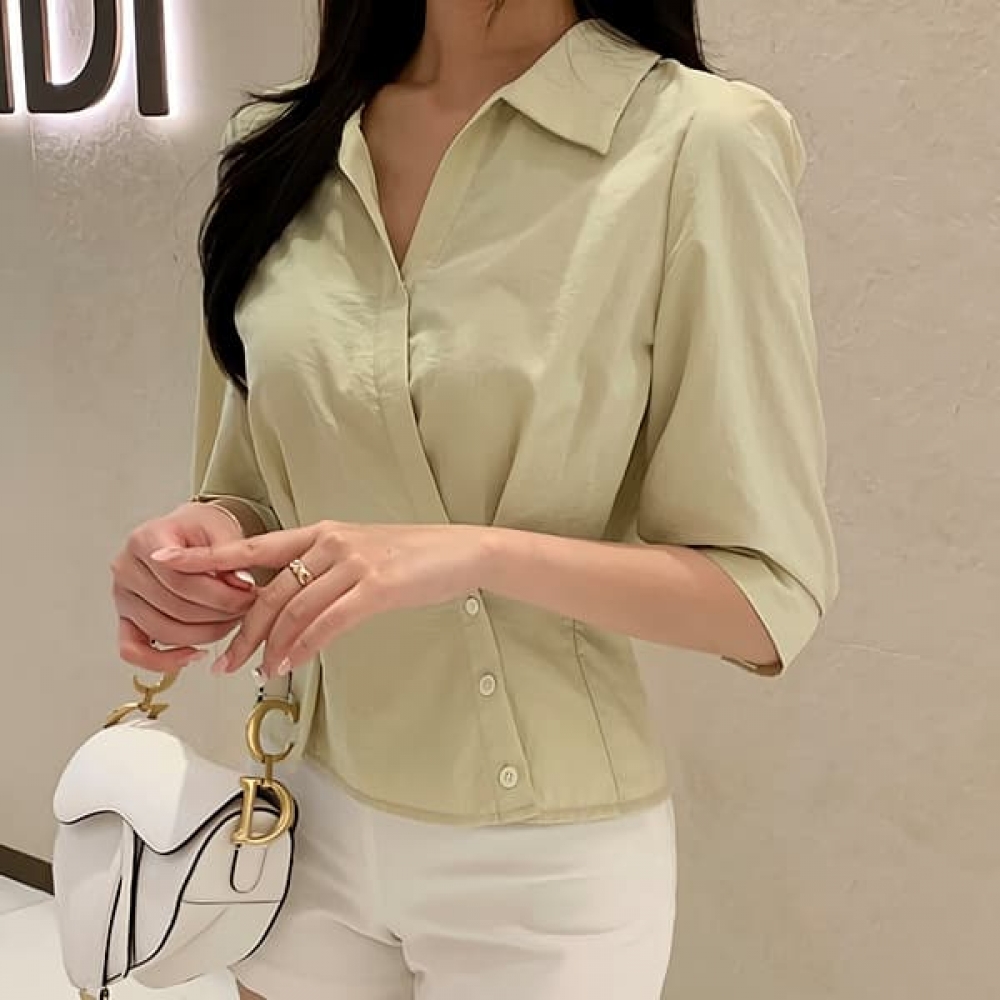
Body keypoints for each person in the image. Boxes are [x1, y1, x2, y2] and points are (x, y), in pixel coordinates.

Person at [109, 1, 839, 997]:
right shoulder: (284, 146)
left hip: (539, 870)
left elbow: (764, 594)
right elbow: (249, 493)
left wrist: (474, 553)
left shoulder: (696, 142)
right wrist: (196, 549)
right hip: (297, 808)